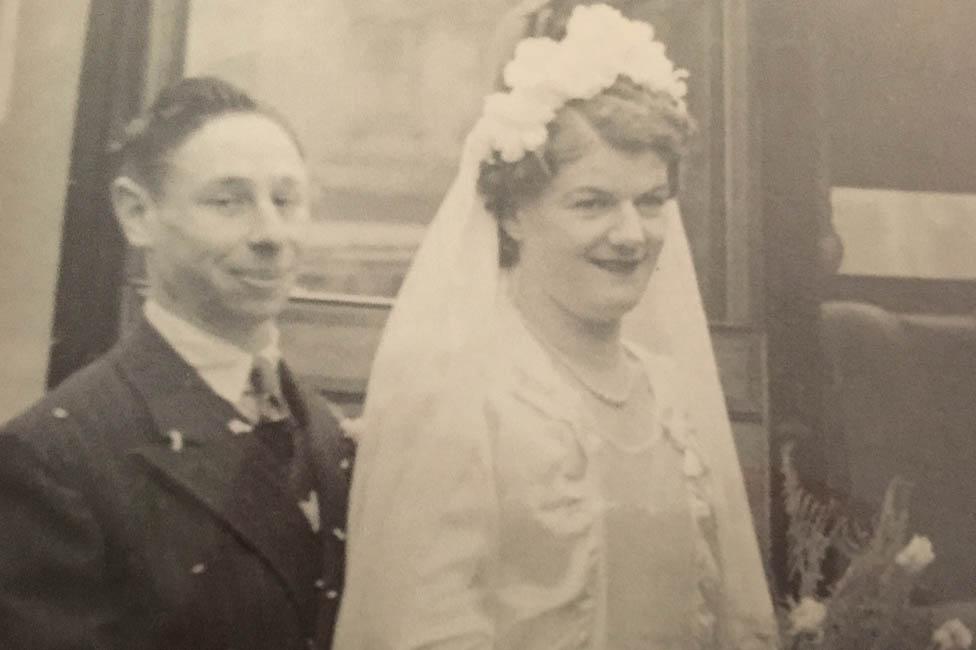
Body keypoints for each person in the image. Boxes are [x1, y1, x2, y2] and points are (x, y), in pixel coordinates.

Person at [334, 3, 778, 649]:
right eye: (592, 203)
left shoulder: (673, 397)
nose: (631, 235)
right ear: (513, 213)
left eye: (651, 202)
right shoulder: (459, 399)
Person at [0, 77, 353, 650]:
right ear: (137, 214)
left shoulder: (329, 433)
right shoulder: (54, 458)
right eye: (228, 201)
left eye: (286, 200)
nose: (271, 233)